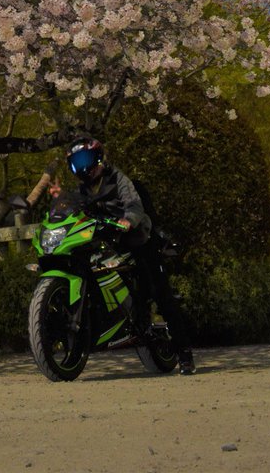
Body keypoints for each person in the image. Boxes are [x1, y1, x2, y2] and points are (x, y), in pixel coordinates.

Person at [26, 136, 196, 375]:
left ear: (98, 158)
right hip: (104, 240)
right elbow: (69, 210)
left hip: (136, 238)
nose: (82, 167)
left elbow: (134, 204)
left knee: (160, 292)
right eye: (76, 162)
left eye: (85, 159)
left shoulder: (118, 179)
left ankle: (184, 354)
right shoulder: (80, 191)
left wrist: (128, 220)